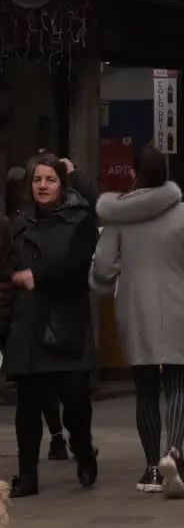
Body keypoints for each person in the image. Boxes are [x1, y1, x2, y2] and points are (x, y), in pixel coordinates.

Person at [91, 145, 184, 498]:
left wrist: (112, 278)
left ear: (135, 173)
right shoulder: (182, 213)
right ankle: (174, 453)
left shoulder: (119, 215)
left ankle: (150, 467)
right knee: (178, 382)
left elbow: (103, 267)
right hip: (177, 305)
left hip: (135, 307)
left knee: (146, 388)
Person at [3, 153, 99, 497]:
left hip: (65, 319)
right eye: (37, 180)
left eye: (50, 180)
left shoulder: (80, 219)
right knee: (28, 403)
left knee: (74, 401)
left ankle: (84, 451)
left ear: (62, 184)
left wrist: (38, 277)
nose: (43, 186)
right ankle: (27, 474)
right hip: (28, 320)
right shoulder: (19, 221)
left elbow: (78, 268)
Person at [5, 168, 68, 460]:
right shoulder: (15, 223)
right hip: (19, 313)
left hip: (28, 312)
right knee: (39, 385)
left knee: (39, 382)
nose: (41, 187)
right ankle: (55, 438)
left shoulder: (22, 223)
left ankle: (59, 437)